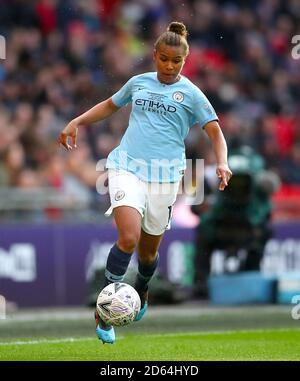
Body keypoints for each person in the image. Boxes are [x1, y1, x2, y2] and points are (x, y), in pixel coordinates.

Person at [58, 21, 232, 344]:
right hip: (127, 168)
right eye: (163, 58)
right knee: (128, 238)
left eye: (176, 61)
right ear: (154, 55)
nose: (169, 65)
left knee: (148, 255)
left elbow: (215, 133)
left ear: (184, 61)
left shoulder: (192, 94)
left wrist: (222, 162)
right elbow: (110, 106)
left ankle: (142, 288)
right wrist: (77, 120)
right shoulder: (138, 83)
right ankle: (104, 312)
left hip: (165, 180)